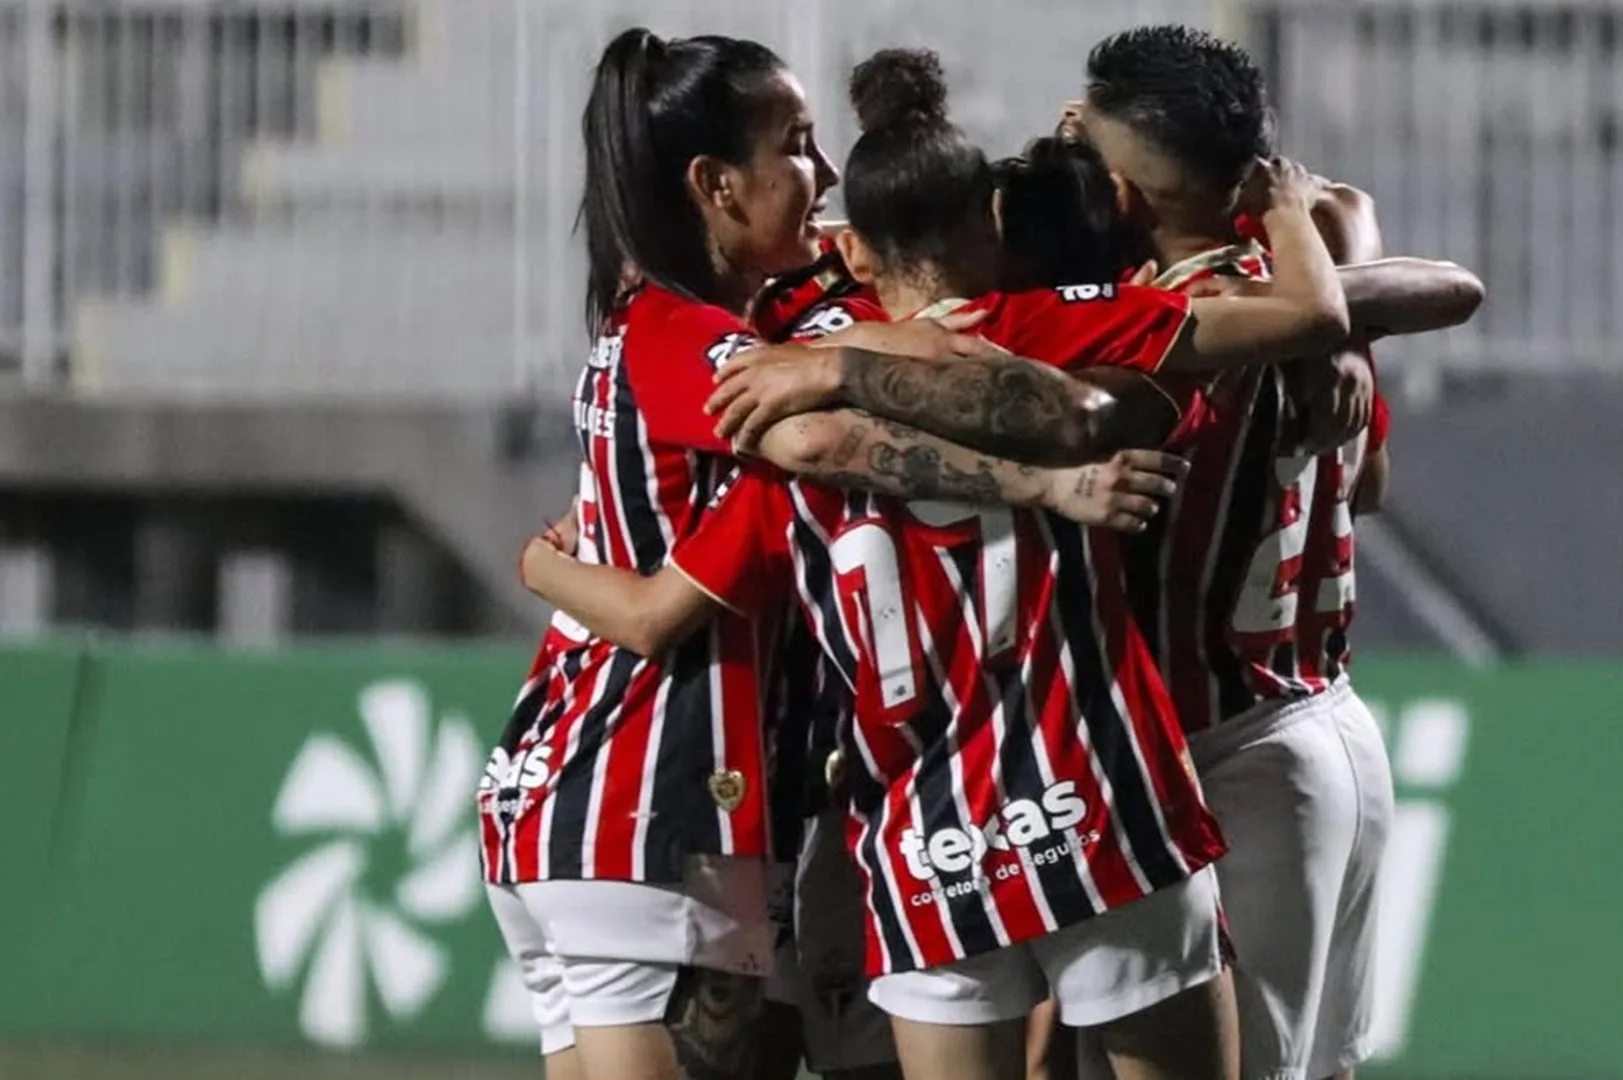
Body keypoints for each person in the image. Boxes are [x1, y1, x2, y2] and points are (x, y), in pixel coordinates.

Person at [517, 41, 1452, 1080]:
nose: (821, 175)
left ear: (864, 251)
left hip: (918, 821)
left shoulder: (792, 340)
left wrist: (547, 564)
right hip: (1098, 783)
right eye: (799, 146)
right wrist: (1325, 330)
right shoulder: (1075, 328)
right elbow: (1343, 317)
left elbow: (727, 529)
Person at [1070, 24, 1483, 1080]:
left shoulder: (1171, 322)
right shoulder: (1301, 295)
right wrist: (1341, 325)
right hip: (1326, 726)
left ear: (1126, 191)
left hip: (1230, 754)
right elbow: (1369, 481)